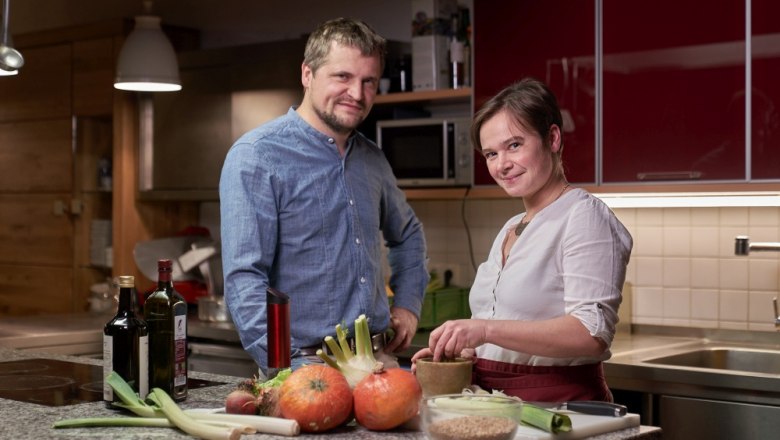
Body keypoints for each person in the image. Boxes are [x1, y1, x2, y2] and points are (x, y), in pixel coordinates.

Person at [220, 18, 428, 376]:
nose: (358, 94)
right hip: (306, 368)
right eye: (342, 77)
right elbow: (245, 279)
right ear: (307, 74)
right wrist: (290, 369)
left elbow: (408, 235)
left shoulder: (373, 159)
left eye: (368, 82)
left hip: (380, 365)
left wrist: (408, 304)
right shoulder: (256, 156)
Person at [412, 78, 633, 402]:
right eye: (491, 153)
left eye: (514, 145)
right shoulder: (512, 227)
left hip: (559, 409)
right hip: (496, 405)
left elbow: (591, 334)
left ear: (553, 139)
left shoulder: (584, 217)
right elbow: (503, 328)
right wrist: (459, 354)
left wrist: (484, 330)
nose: (502, 165)